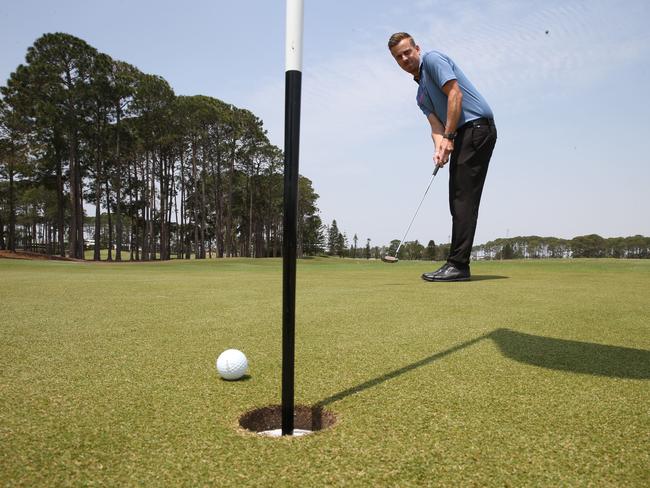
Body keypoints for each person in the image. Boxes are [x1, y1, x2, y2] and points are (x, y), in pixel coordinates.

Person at [388, 32, 497, 282]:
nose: (405, 58)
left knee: (463, 198)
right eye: (398, 57)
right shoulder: (420, 96)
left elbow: (455, 95)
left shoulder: (433, 60)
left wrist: (449, 137)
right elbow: (435, 127)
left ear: (417, 48)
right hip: (462, 133)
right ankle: (457, 263)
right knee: (457, 198)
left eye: (407, 52)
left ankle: (458, 265)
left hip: (477, 128)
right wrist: (440, 148)